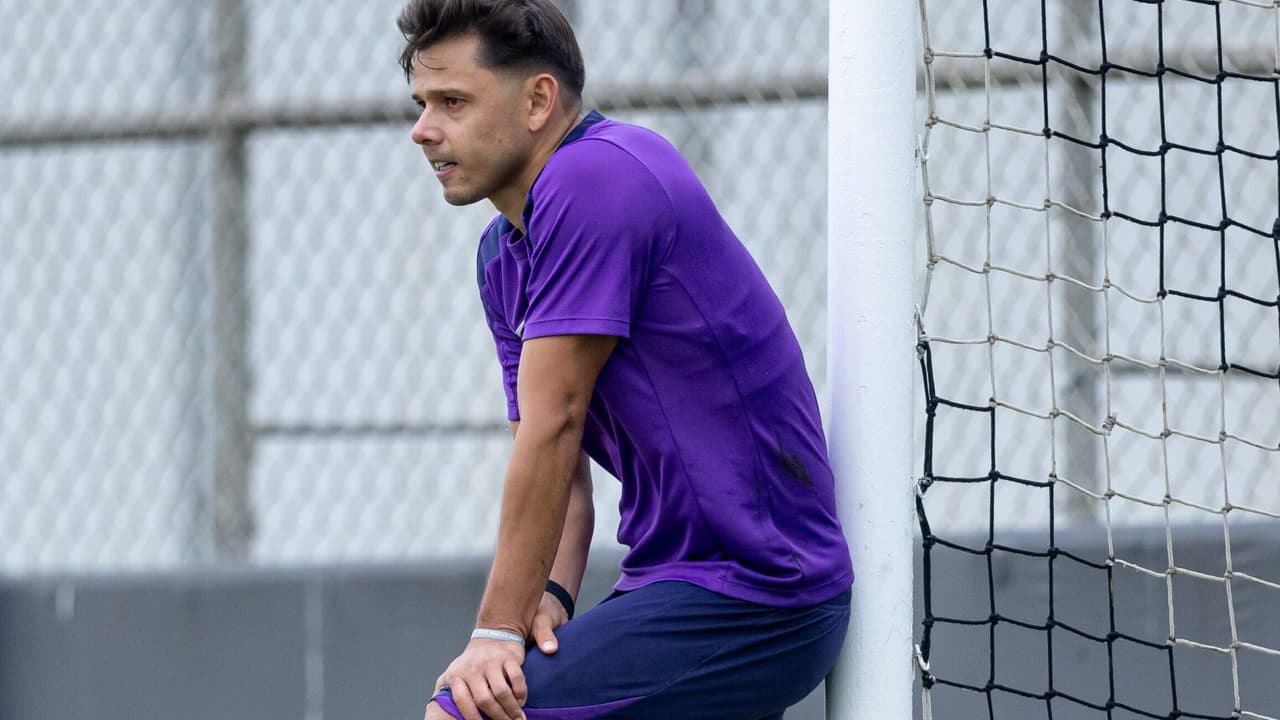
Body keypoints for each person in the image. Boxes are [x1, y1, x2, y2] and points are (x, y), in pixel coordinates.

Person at [399, 1, 853, 718]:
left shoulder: (599, 180)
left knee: (465, 713)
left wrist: (493, 633)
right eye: (422, 103)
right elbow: (563, 471)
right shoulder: (501, 258)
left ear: (539, 100)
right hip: (671, 587)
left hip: (759, 592)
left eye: (453, 101)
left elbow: (554, 423)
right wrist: (541, 602)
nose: (424, 129)